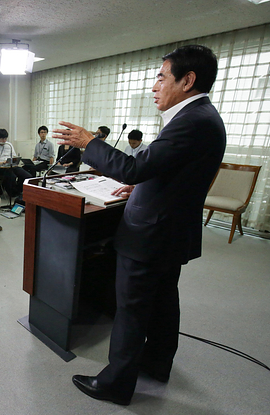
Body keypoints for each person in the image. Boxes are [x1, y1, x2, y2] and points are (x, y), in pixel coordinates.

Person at [53, 45, 226, 406]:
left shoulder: (192, 120)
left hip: (152, 234)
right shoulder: (203, 117)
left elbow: (133, 167)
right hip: (171, 230)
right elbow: (173, 172)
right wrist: (143, 185)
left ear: (188, 80)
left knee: (131, 309)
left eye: (162, 77)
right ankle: (157, 363)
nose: (154, 86)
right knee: (163, 302)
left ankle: (114, 384)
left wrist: (90, 143)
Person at [0, 129, 33, 196]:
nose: (4, 141)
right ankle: (12, 193)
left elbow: (14, 156)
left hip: (11, 165)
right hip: (0, 167)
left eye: (5, 138)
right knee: (12, 176)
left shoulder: (9, 145)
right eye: (2, 139)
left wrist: (15, 160)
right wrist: (2, 163)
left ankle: (18, 190)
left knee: (27, 176)